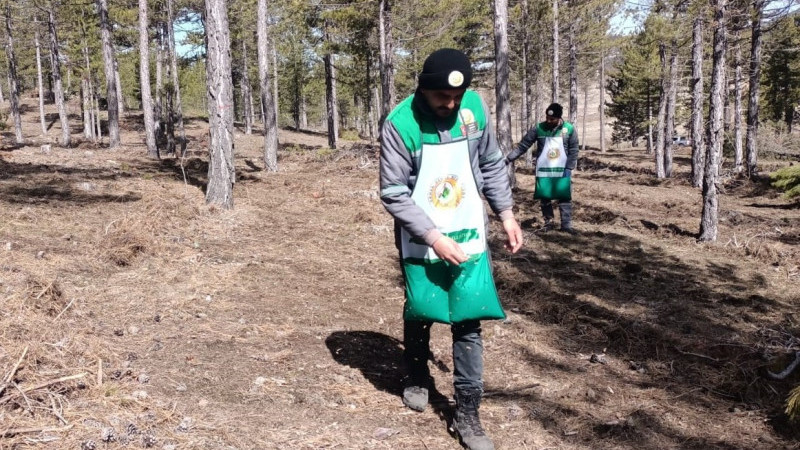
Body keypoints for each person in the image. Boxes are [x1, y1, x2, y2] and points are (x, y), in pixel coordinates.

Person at [379, 48, 523, 450]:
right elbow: (392, 192)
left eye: (457, 97)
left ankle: (468, 414)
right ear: (424, 89)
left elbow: (492, 163)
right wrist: (434, 237)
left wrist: (506, 214)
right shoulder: (400, 124)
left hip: (468, 231)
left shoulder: (473, 109)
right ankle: (416, 374)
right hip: (419, 234)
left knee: (468, 317)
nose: (452, 104)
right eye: (443, 96)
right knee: (422, 306)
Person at [506, 103, 579, 233]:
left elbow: (573, 150)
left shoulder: (569, 129)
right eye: (547, 118)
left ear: (559, 118)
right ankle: (548, 222)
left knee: (564, 197)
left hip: (562, 170)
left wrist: (569, 167)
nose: (549, 121)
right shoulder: (538, 129)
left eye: (552, 119)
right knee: (545, 196)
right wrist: (509, 158)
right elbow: (523, 145)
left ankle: (566, 225)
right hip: (543, 169)